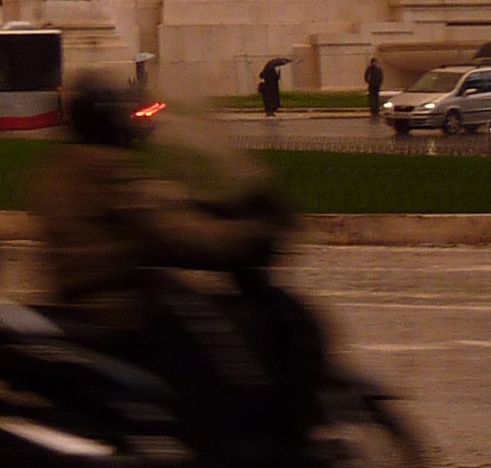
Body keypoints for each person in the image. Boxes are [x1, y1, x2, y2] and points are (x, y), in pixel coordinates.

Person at [27, 77, 295, 454]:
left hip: (83, 297)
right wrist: (245, 238)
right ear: (107, 121)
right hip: (119, 306)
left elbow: (148, 213)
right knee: (215, 344)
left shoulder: (64, 167)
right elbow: (172, 232)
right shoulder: (103, 167)